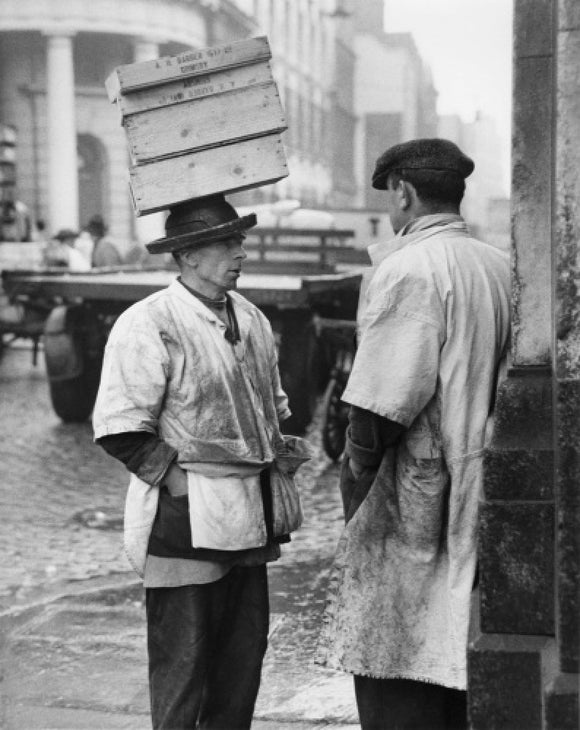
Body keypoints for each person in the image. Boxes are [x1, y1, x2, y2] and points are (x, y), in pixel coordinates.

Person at [316, 139, 511, 729]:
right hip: (482, 474)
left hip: (418, 489)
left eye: (389, 199)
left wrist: (356, 481)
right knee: (456, 645)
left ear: (401, 191)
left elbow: (380, 404)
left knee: (397, 651)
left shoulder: (407, 267)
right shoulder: (497, 263)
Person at [92, 195, 295, 730]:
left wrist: (281, 455)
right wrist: (180, 485)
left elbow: (273, 407)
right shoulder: (150, 323)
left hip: (249, 518)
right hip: (184, 524)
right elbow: (120, 427)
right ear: (187, 256)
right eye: (226, 242)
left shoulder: (250, 318)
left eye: (240, 240)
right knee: (184, 664)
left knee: (240, 662)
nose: (240, 251)